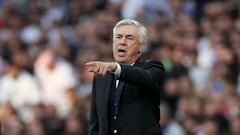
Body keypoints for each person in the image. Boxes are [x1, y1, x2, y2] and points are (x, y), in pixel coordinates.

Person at [86, 19, 165, 135]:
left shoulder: (153, 68)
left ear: (141, 46)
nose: (122, 42)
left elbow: (145, 78)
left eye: (129, 38)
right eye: (118, 37)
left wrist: (117, 68)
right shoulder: (102, 75)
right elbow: (95, 124)